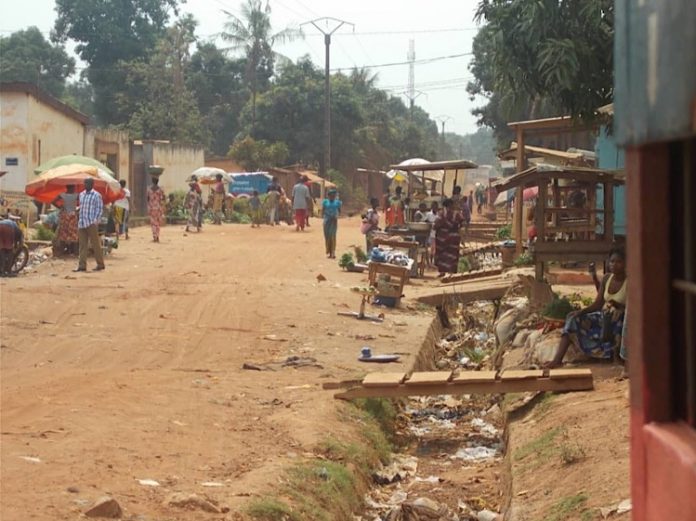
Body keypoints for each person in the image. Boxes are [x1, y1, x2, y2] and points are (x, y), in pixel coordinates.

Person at [546, 248, 627, 368]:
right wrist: (579, 312)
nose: (614, 265)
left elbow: (634, 307)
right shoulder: (606, 279)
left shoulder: (630, 281)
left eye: (618, 262)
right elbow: (598, 304)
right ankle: (557, 359)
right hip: (603, 317)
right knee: (573, 319)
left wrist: (618, 306)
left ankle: (615, 356)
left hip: (620, 319)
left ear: (626, 263)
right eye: (612, 261)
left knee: (618, 321)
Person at [74, 178, 105, 272]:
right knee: (82, 245)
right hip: (82, 222)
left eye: (88, 183)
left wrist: (96, 220)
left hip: (91, 222)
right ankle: (82, 265)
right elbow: (81, 206)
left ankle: (100, 264)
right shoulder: (82, 194)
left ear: (92, 184)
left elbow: (99, 209)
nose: (86, 184)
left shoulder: (96, 195)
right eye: (85, 183)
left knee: (95, 244)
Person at [433, 198, 464, 276]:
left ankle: (442, 272)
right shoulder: (457, 214)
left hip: (442, 238)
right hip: (454, 238)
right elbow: (462, 224)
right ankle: (451, 272)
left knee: (442, 255)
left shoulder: (441, 214)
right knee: (453, 255)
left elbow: (436, 225)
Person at [52, 184, 79, 252]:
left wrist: (60, 207)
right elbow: (84, 202)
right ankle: (72, 250)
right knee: (73, 233)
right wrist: (78, 210)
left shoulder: (62, 195)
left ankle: (64, 249)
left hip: (65, 216)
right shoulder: (76, 195)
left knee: (64, 233)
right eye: (73, 187)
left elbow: (53, 201)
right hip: (72, 216)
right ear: (71, 188)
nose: (74, 189)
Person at [322, 188, 342, 258]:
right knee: (327, 236)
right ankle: (329, 251)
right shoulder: (325, 202)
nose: (332, 197)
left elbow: (339, 211)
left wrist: (336, 216)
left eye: (334, 196)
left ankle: (333, 252)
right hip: (326, 221)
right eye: (331, 195)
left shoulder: (337, 203)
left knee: (332, 236)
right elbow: (323, 211)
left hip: (334, 221)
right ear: (328, 196)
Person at [147, 177, 166, 242]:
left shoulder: (149, 189)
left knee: (153, 222)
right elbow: (163, 198)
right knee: (158, 222)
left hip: (151, 207)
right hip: (158, 207)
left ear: (152, 181)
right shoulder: (160, 189)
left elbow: (148, 198)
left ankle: (154, 235)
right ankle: (157, 235)